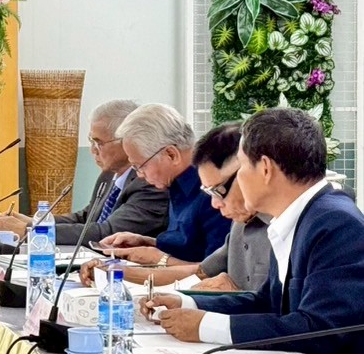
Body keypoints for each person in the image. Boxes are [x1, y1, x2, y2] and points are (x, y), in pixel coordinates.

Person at [142, 108, 364, 354]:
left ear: (266, 169)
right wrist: (189, 303)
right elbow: (267, 303)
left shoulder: (336, 223)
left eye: (243, 165)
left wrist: (206, 326)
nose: (240, 178)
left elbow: (319, 330)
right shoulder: (298, 217)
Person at [80, 122, 271, 292]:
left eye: (217, 191)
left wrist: (158, 259)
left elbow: (249, 299)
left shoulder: (269, 222)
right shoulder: (239, 224)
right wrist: (113, 270)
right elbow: (202, 272)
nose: (215, 203)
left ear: (264, 170)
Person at [0, 99, 167, 245]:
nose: (93, 150)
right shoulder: (108, 175)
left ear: (127, 141)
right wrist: (34, 222)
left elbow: (108, 232)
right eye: (91, 141)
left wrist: (30, 231)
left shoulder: (150, 182)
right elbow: (86, 218)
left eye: (99, 143)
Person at [97, 103, 229, 265]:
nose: (139, 175)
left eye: (140, 166)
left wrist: (160, 260)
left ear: (171, 154)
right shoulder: (174, 182)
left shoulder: (213, 189)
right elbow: (187, 247)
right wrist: (147, 242)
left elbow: (216, 269)